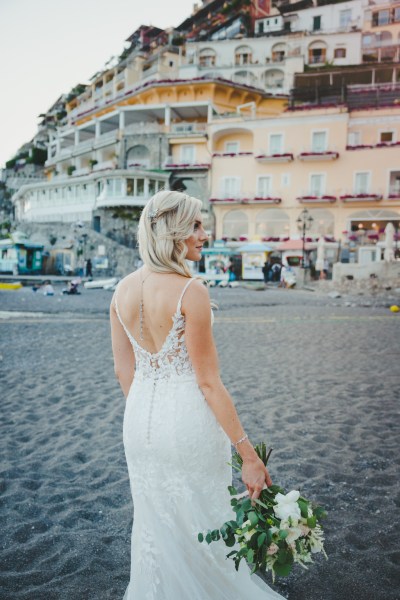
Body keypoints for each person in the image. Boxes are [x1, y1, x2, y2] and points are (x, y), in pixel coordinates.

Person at [110, 191, 284, 600]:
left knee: (154, 521)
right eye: (196, 226)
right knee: (203, 515)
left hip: (139, 423)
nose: (204, 234)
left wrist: (146, 413)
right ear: (172, 233)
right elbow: (208, 383)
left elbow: (124, 370)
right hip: (187, 421)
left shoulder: (121, 290)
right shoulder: (192, 291)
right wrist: (249, 456)